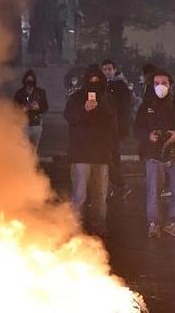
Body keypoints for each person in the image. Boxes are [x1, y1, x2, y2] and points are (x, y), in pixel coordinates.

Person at [134, 69, 175, 238]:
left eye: (164, 83)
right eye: (156, 83)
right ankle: (153, 224)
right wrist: (148, 136)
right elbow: (137, 127)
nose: (160, 87)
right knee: (153, 193)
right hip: (153, 155)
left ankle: (173, 222)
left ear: (170, 85)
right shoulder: (147, 105)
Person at [63, 66, 117, 236]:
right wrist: (84, 110)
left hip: (101, 153)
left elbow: (111, 122)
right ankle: (76, 226)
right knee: (80, 194)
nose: (94, 84)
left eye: (97, 80)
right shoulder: (76, 98)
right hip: (81, 153)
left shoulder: (107, 98)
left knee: (100, 196)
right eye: (91, 80)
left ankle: (99, 224)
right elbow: (70, 117)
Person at [102, 59, 134, 199]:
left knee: (109, 157)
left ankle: (120, 185)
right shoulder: (107, 84)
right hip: (109, 127)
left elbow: (123, 107)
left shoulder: (119, 85)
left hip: (115, 127)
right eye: (105, 69)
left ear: (114, 70)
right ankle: (116, 187)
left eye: (109, 69)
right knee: (112, 157)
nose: (107, 72)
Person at [13, 69, 49, 151]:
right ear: (24, 81)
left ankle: (31, 163)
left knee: (33, 149)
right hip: (24, 125)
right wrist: (21, 109)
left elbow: (45, 107)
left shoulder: (40, 93)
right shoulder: (20, 93)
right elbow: (14, 108)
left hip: (36, 125)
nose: (29, 82)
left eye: (31, 80)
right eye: (28, 80)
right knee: (24, 149)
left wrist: (38, 107)